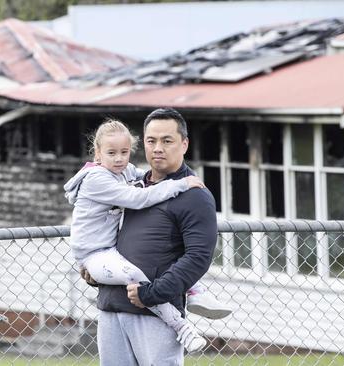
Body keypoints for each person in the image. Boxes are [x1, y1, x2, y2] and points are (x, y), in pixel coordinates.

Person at [64, 118, 228, 353]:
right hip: (107, 285)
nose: (119, 158)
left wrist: (152, 294)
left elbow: (198, 256)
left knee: (133, 275)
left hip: (149, 308)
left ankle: (187, 313)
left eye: (124, 152)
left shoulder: (191, 194)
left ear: (184, 144)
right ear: (97, 153)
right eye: (152, 141)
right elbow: (138, 198)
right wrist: (179, 184)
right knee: (130, 273)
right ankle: (193, 297)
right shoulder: (99, 178)